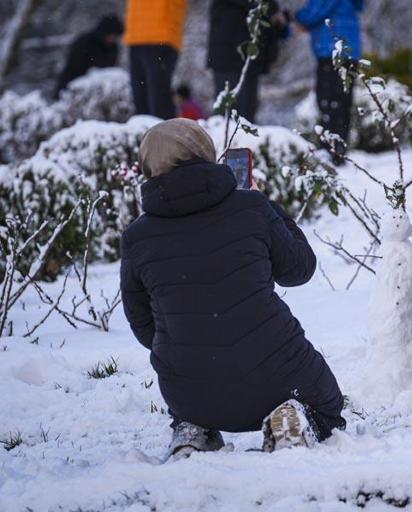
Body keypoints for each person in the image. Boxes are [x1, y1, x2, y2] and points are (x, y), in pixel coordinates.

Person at [120, 118, 346, 458]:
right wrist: (267, 206)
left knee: (191, 397)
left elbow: (142, 325)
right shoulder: (250, 208)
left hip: (189, 391)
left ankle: (193, 430)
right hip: (281, 376)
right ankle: (291, 420)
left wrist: (187, 345)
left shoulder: (137, 237)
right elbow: (299, 270)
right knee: (326, 407)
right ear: (205, 153)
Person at [295, 0, 364, 164]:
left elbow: (314, 12)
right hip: (349, 52)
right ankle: (338, 150)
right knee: (342, 104)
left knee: (329, 103)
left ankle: (331, 152)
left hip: (332, 51)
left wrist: (296, 17)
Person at [207, 0, 289, 123]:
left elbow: (269, 20)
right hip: (229, 56)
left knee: (245, 116)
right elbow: (256, 9)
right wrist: (271, 14)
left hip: (249, 60)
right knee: (229, 114)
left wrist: (279, 21)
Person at [124, 0, 187, 119]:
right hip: (136, 35)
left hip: (161, 35)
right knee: (141, 101)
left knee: (158, 101)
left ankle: (165, 130)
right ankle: (145, 129)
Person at [54, 14, 125, 98]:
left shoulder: (113, 47)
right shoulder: (84, 43)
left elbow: (111, 69)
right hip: (74, 88)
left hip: (100, 91)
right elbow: (74, 69)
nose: (113, 39)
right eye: (112, 35)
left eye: (115, 36)